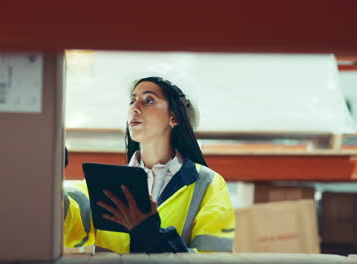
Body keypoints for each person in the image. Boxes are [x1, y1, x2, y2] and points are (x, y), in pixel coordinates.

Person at [64, 76, 235, 253]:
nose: (134, 109)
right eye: (132, 101)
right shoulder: (107, 183)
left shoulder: (208, 185)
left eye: (148, 100)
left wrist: (150, 234)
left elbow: (214, 258)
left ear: (174, 116)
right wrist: (49, 170)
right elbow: (66, 225)